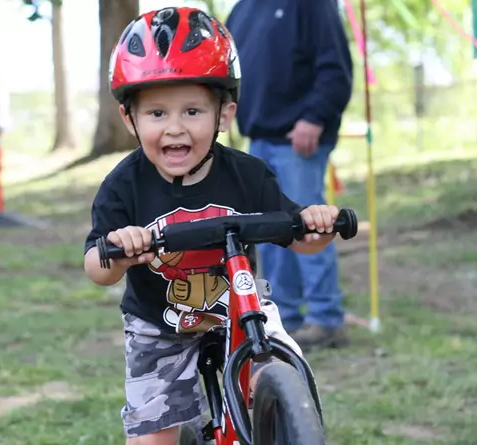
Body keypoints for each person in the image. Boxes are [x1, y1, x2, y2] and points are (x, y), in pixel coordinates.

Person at [82, 7, 343, 444]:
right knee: (153, 436)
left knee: (283, 372)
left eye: (192, 111)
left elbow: (296, 237)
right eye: (157, 114)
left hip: (242, 316)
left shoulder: (249, 175)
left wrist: (317, 227)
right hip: (160, 325)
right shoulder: (123, 185)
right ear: (130, 119)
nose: (176, 128)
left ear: (223, 114)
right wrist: (119, 250)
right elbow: (96, 266)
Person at [226, 0, 354, 350]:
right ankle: (285, 318)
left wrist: (313, 118)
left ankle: (326, 318)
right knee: (273, 231)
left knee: (312, 224)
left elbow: (336, 69)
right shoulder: (243, 9)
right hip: (259, 139)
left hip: (298, 139)